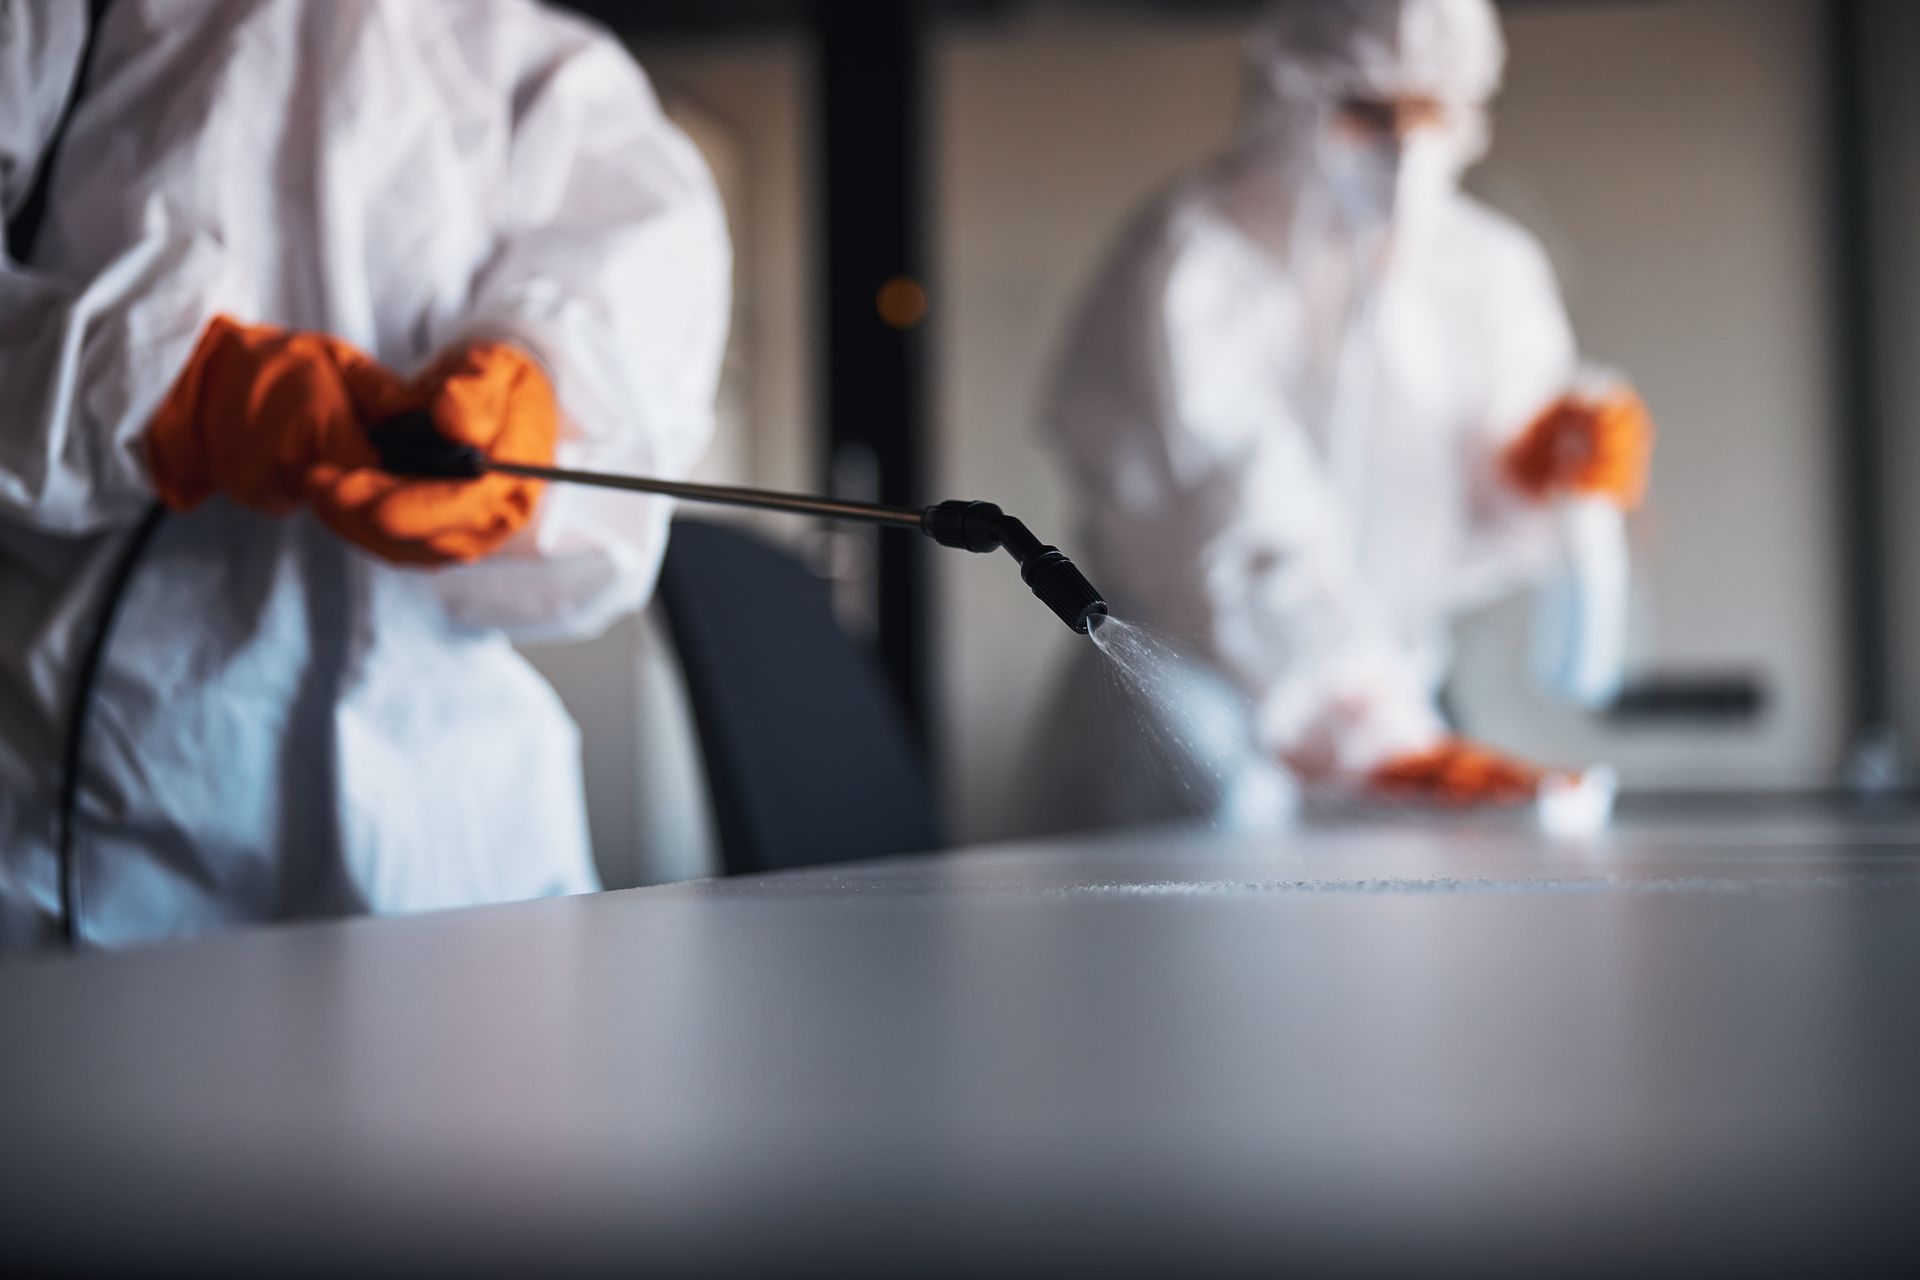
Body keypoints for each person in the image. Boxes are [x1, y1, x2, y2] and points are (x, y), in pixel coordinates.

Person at [0, 0, 730, 950]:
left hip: (467, 850)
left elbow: (633, 336)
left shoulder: (552, 77)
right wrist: (173, 388)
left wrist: (535, 386)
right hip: (99, 844)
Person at [1042, 0, 1652, 817]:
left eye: (1430, 111)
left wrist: (1531, 474)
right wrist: (1370, 731)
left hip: (1397, 696)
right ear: (1291, 98)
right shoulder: (1194, 263)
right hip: (1199, 718)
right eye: (1366, 111)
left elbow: (1469, 519)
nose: (1404, 149)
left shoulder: (1490, 270)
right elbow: (1229, 531)